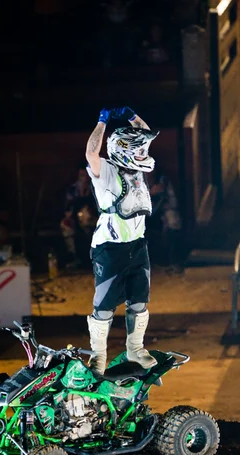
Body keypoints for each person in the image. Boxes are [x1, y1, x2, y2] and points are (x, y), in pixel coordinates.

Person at [85, 105, 159, 374]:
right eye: (138, 150)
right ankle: (98, 356)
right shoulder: (105, 171)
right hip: (109, 248)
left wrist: (131, 116)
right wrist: (102, 121)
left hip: (137, 245)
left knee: (139, 300)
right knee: (104, 306)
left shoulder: (136, 167)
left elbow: (145, 135)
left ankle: (135, 349)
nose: (144, 153)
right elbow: (91, 152)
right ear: (125, 150)